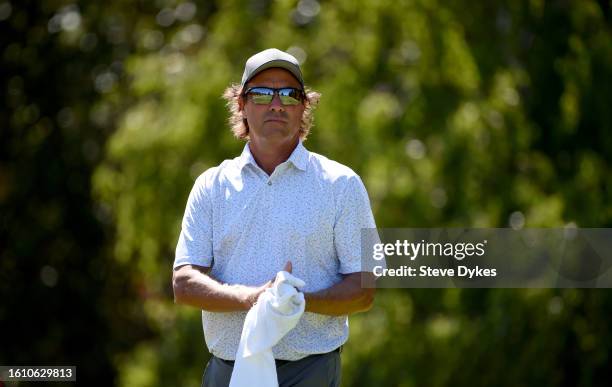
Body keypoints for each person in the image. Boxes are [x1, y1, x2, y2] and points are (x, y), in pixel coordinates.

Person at [172, 48, 378, 387]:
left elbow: (365, 289)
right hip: (229, 369)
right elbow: (184, 284)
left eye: (290, 95)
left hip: (310, 370)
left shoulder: (343, 184)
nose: (277, 104)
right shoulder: (210, 185)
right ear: (241, 104)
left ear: (304, 107)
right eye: (263, 93)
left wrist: (295, 304)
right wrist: (254, 299)